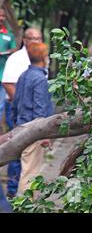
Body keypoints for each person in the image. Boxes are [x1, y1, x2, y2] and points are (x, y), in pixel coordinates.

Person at [2, 27, 43, 197]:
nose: (35, 41)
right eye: (32, 38)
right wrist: (21, 105)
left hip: (33, 113)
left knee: (29, 153)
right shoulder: (16, 58)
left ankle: (23, 193)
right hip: (19, 111)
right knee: (16, 150)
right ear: (24, 40)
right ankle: (13, 191)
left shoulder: (40, 57)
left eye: (38, 38)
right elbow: (7, 83)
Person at [11, 42, 54, 195]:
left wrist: (15, 124)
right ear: (44, 57)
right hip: (33, 132)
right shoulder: (40, 79)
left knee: (27, 169)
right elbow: (40, 109)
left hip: (21, 128)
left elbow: (15, 104)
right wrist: (43, 135)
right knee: (30, 173)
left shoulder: (24, 76)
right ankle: (23, 206)